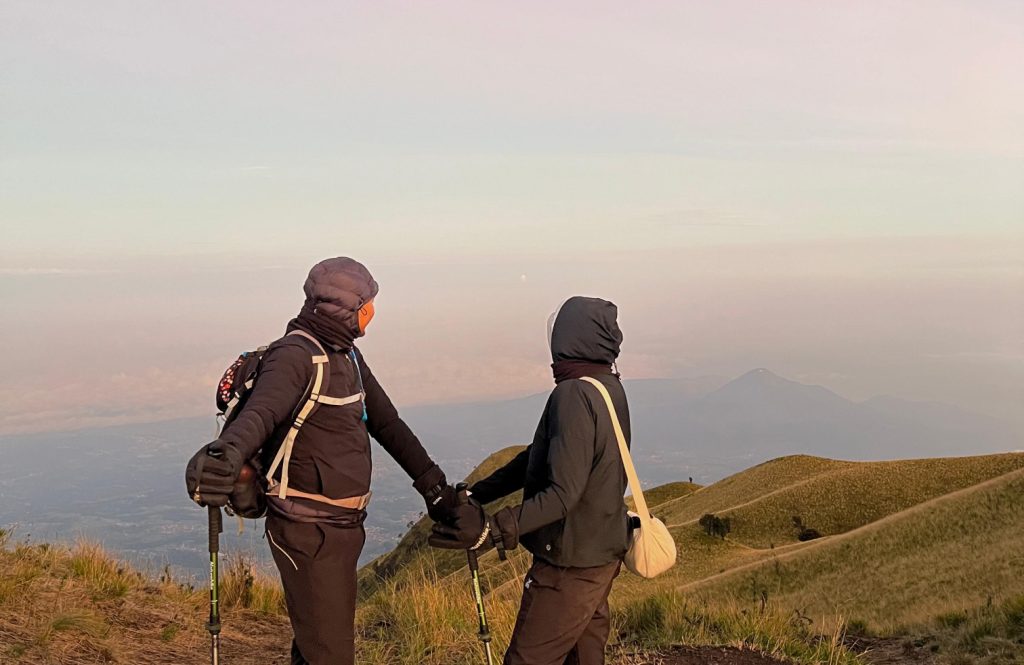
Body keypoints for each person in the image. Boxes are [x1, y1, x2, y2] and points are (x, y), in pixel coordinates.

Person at [185, 257, 465, 665]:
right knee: (331, 653)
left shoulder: (346, 356)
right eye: (368, 303)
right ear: (348, 308)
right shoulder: (296, 355)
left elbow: (388, 424)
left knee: (318, 645)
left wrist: (434, 487)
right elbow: (260, 415)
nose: (374, 311)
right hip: (307, 532)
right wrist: (226, 454)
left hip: (341, 530)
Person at [430, 296, 631, 665]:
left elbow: (562, 495)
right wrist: (479, 491)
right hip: (600, 554)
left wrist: (492, 529)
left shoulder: (572, 394)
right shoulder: (607, 387)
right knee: (584, 657)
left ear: (572, 339)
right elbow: (539, 457)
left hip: (567, 567)